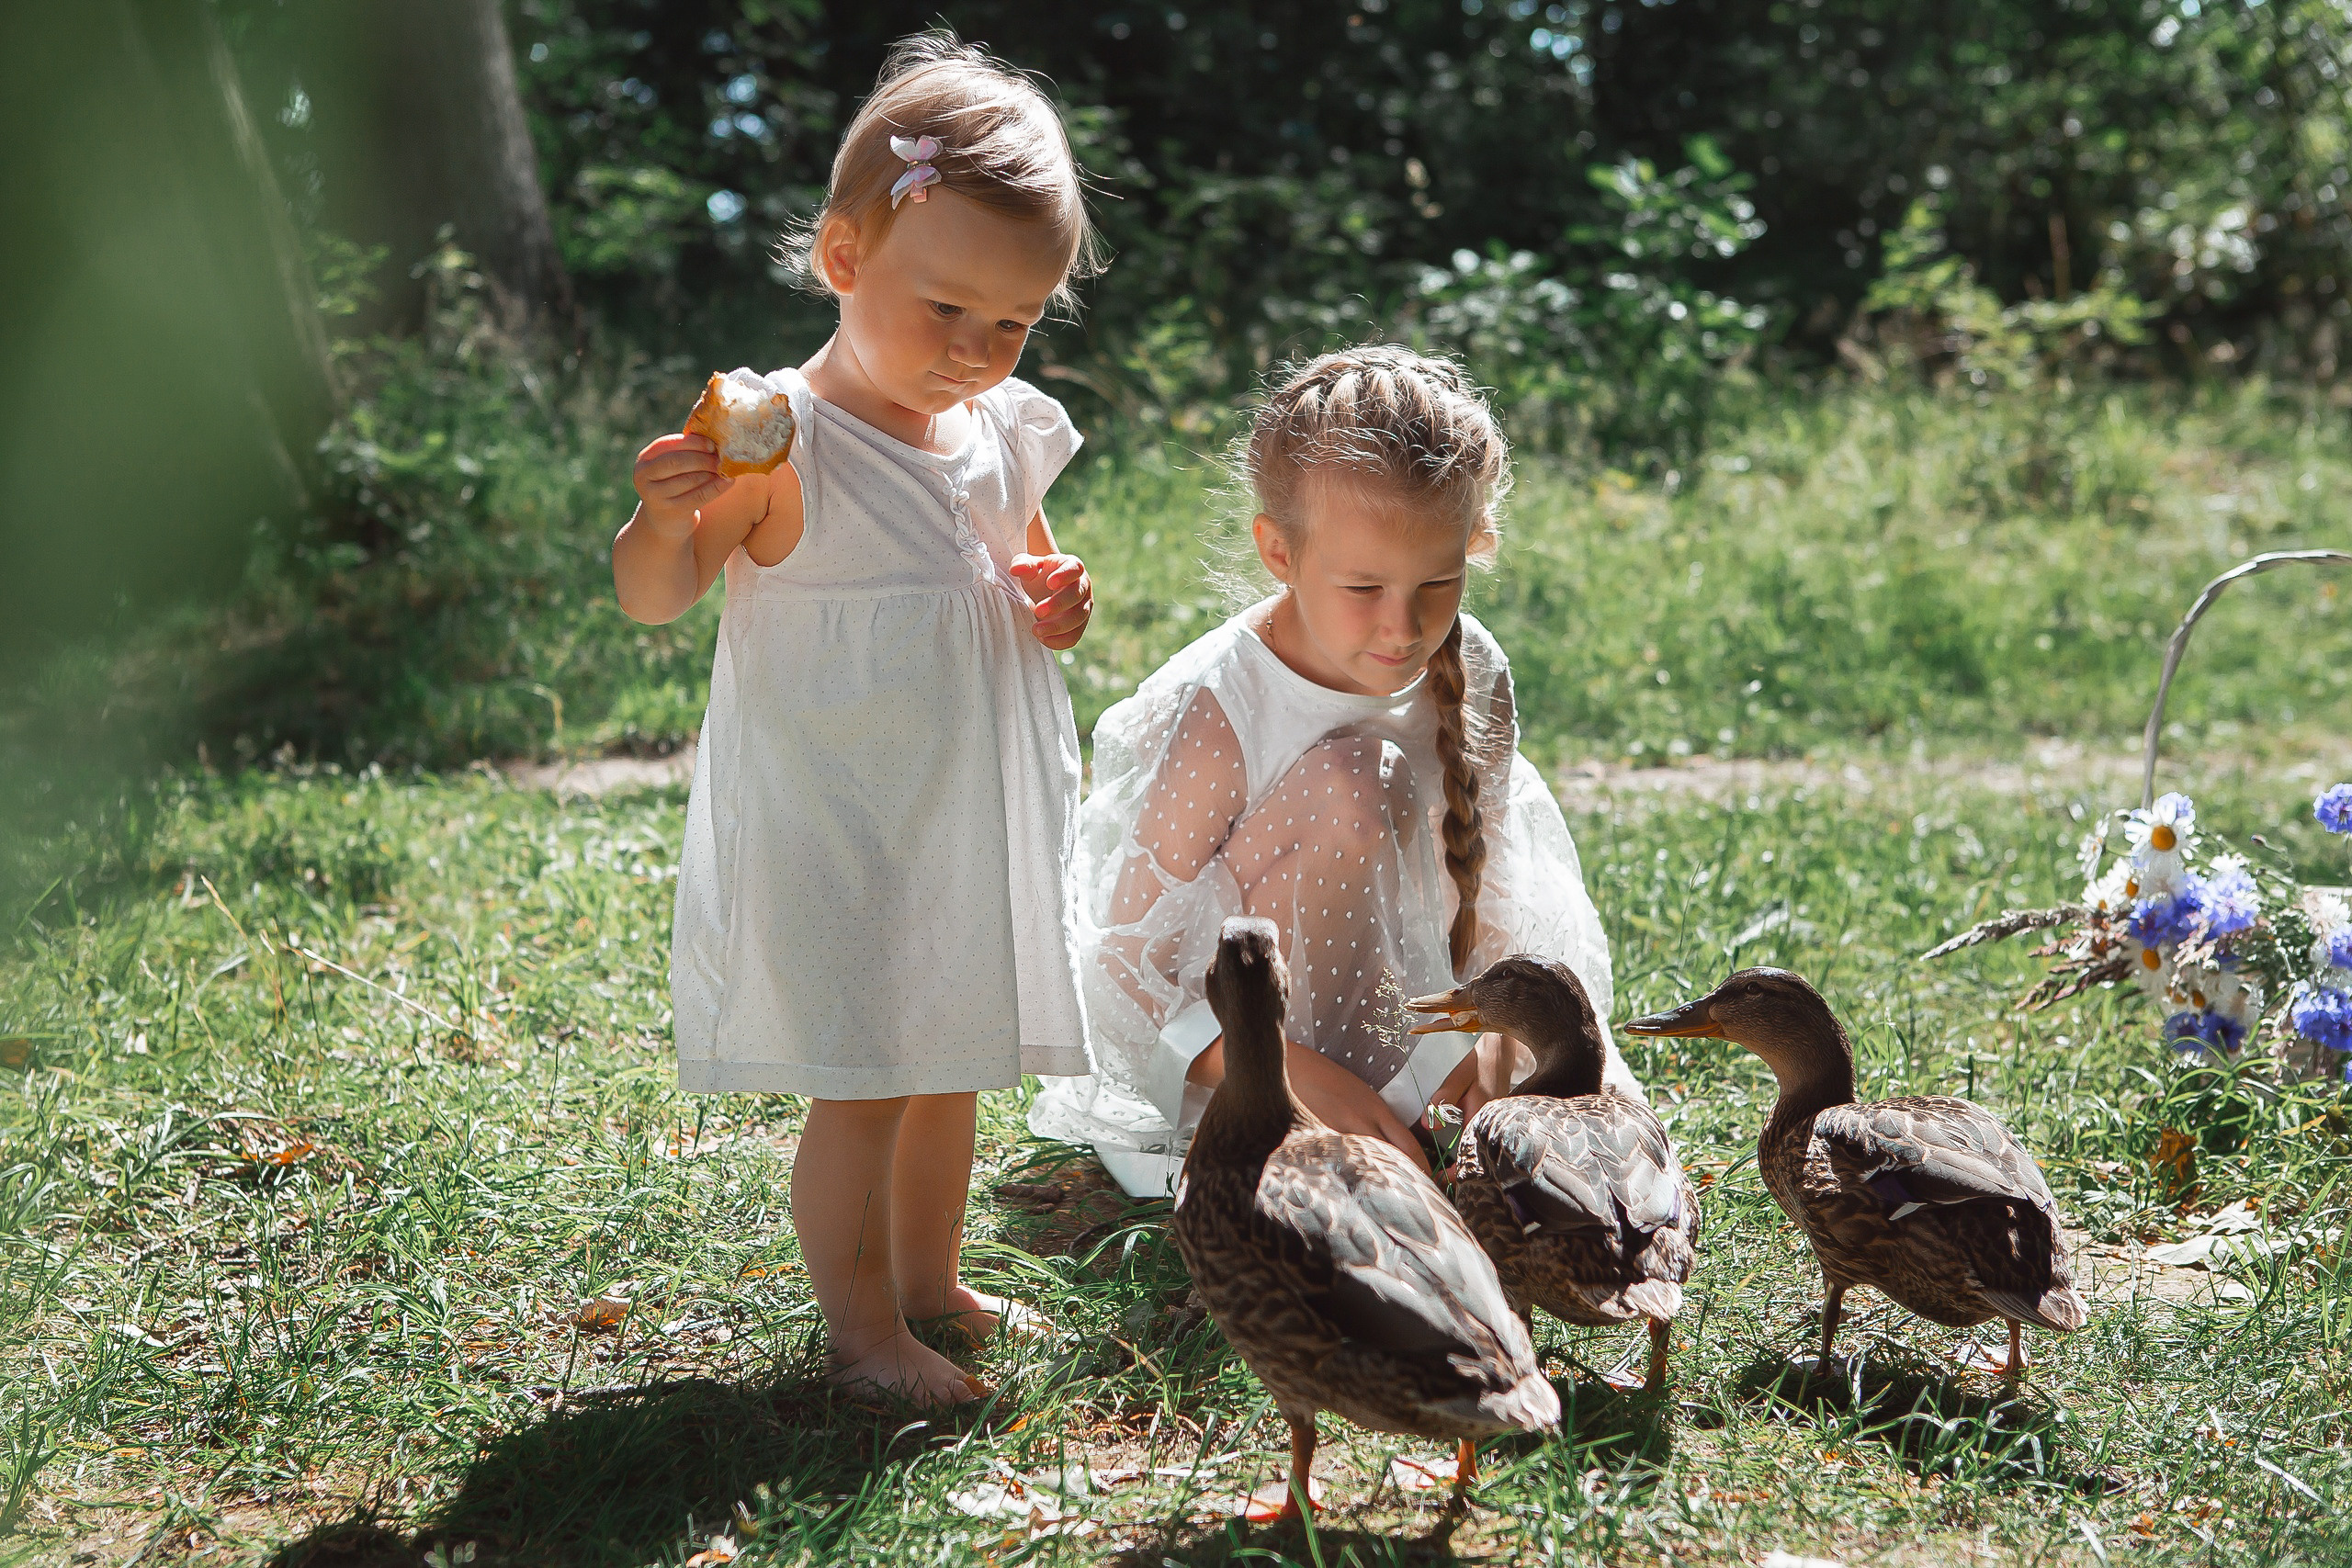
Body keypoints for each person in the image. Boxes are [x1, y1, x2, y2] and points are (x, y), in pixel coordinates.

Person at [613, 33, 1101, 1405]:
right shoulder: (781, 440)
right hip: (840, 816)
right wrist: (659, 517)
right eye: (946, 308)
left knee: (951, 1066)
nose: (974, 351)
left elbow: (1024, 562)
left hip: (960, 812)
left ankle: (931, 1282)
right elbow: (659, 597)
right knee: (873, 1079)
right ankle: (861, 1331)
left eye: (1010, 323)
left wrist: (1057, 600)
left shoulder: (1000, 426)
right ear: (843, 257)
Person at [1031, 346, 1639, 1197]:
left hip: (1420, 1037)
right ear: (1279, 553)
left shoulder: (1477, 672)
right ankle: (1347, 1123)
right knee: (1357, 779)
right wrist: (1292, 1070)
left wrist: (1490, 1037)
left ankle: (1421, 1110)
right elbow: (1123, 979)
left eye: (1439, 580)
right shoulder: (1227, 706)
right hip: (1246, 1069)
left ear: (1478, 544)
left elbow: (1501, 890)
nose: (1403, 626)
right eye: (1362, 587)